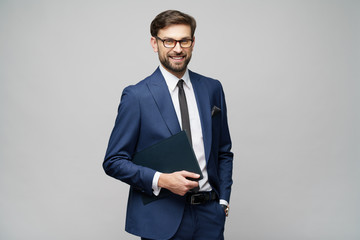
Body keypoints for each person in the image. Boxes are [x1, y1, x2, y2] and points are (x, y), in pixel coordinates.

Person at [103, 10, 233, 240]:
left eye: (184, 40)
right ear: (155, 43)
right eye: (169, 41)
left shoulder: (212, 89)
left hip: (209, 218)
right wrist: (161, 180)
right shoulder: (137, 96)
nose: (177, 48)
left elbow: (223, 152)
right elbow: (113, 161)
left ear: (193, 43)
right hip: (161, 220)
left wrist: (222, 201)